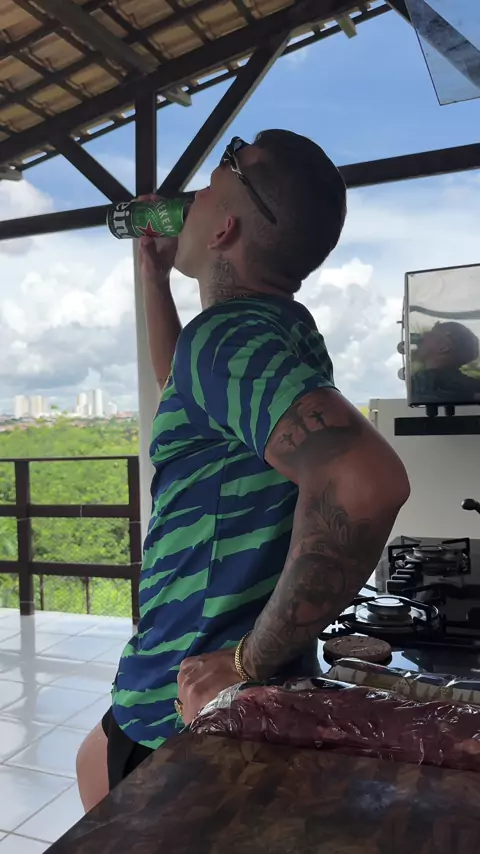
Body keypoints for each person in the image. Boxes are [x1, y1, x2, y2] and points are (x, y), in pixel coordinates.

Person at [77, 130, 410, 808]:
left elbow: (365, 481)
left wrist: (243, 659)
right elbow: (188, 396)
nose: (190, 197)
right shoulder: (281, 331)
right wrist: (154, 280)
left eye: (209, 184)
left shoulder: (226, 338)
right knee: (95, 760)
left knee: (99, 776)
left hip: (188, 689)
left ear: (224, 228)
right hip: (244, 682)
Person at [410, 321, 480, 404]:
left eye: (432, 332)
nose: (424, 334)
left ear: (443, 347)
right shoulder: (473, 386)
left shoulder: (417, 384)